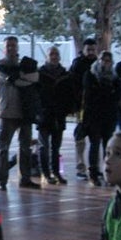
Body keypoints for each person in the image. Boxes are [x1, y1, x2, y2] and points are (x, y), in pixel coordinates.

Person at [0, 37, 41, 190]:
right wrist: (23, 78)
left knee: (25, 147)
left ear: (18, 47)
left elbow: (34, 79)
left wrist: (19, 77)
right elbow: (14, 81)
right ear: (4, 47)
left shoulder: (23, 64)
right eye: (8, 45)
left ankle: (25, 179)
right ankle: (2, 180)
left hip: (25, 112)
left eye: (13, 45)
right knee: (3, 148)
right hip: (8, 112)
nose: (11, 48)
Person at [81, 51, 120, 187]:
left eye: (108, 60)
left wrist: (107, 93)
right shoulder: (90, 75)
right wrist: (107, 92)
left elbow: (117, 95)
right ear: (99, 60)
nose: (105, 62)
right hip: (94, 116)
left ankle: (108, 173)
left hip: (109, 117)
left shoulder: (115, 77)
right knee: (94, 144)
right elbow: (91, 95)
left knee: (108, 147)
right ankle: (93, 173)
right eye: (103, 60)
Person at [37, 45, 73, 185]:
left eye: (56, 54)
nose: (54, 56)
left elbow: (69, 94)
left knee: (56, 146)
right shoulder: (40, 73)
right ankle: (45, 173)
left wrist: (67, 109)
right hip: (44, 114)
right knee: (43, 146)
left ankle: (56, 172)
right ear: (47, 56)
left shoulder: (65, 75)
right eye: (51, 54)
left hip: (59, 115)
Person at [69, 38, 99, 179]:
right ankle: (80, 168)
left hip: (96, 109)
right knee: (80, 137)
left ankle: (95, 167)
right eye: (89, 50)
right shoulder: (78, 65)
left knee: (95, 139)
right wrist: (75, 105)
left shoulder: (99, 64)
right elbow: (72, 87)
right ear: (84, 50)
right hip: (81, 108)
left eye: (93, 49)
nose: (91, 52)